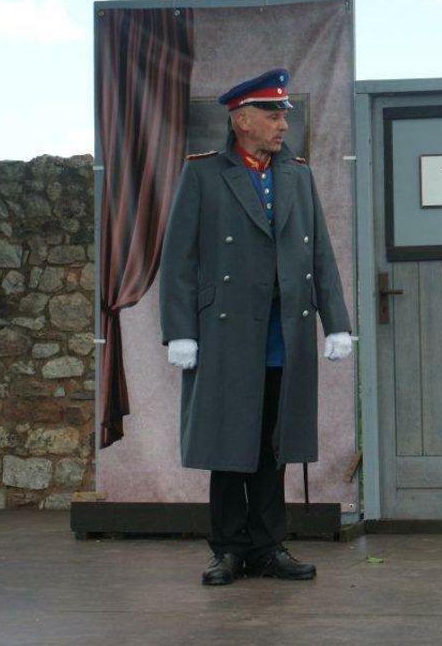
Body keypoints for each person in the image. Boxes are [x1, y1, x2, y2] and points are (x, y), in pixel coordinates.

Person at [159, 68, 353, 586]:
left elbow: (320, 255)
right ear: (240, 120)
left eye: (283, 115)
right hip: (224, 334)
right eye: (271, 114)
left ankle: (269, 547)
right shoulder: (202, 174)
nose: (281, 124)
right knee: (229, 446)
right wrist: (180, 330)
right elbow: (179, 259)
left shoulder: (298, 175)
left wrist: (336, 321)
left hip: (281, 331)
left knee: (273, 444)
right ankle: (228, 549)